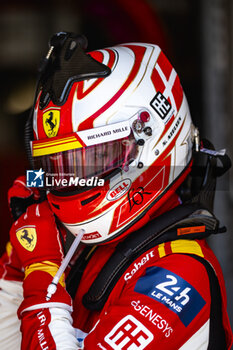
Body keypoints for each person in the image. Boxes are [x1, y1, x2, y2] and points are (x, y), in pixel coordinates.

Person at [0, 32, 232, 349]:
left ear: (152, 142)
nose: (68, 177)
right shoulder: (83, 250)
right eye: (58, 163)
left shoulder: (181, 278)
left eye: (90, 157)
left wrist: (43, 276)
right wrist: (19, 268)